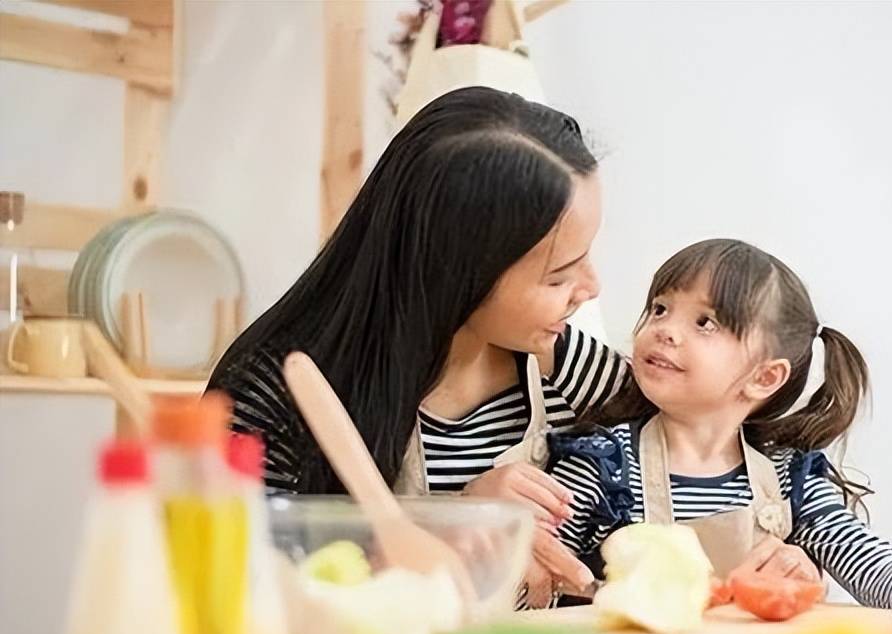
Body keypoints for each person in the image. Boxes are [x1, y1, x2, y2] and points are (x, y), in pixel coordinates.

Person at [209, 87, 624, 595]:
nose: (591, 287)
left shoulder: (566, 368)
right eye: (558, 277)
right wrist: (448, 525)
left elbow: (718, 433)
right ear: (459, 271)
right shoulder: (273, 395)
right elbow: (226, 592)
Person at [546, 239, 892, 614]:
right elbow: (532, 580)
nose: (664, 330)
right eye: (660, 309)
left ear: (764, 378)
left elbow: (871, 565)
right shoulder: (602, 466)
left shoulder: (789, 479)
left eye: (704, 322)